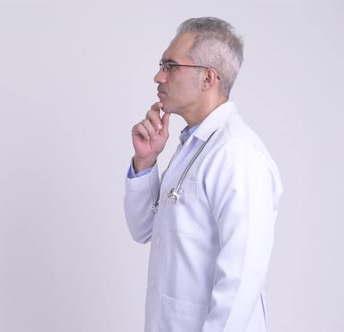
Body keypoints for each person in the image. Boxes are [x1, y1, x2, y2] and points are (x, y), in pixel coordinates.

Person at [124, 17, 283, 332]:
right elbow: (142, 229)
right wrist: (146, 162)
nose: (158, 76)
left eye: (170, 66)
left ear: (208, 78)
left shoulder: (237, 154)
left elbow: (241, 282)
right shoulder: (192, 146)